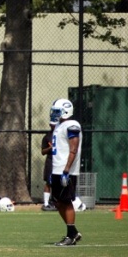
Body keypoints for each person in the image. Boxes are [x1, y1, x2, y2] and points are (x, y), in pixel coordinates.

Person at [49, 98, 83, 246]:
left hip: (65, 170)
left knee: (66, 201)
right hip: (57, 169)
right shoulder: (60, 125)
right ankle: (73, 232)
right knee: (57, 202)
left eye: (57, 111)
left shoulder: (72, 125)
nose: (54, 114)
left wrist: (66, 170)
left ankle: (71, 235)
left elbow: (73, 149)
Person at [41, 120, 58, 211]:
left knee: (59, 182)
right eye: (52, 124)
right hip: (50, 161)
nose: (54, 125)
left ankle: (57, 202)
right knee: (49, 182)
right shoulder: (47, 137)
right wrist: (50, 148)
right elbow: (43, 152)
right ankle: (46, 203)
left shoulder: (61, 134)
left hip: (60, 161)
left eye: (55, 124)